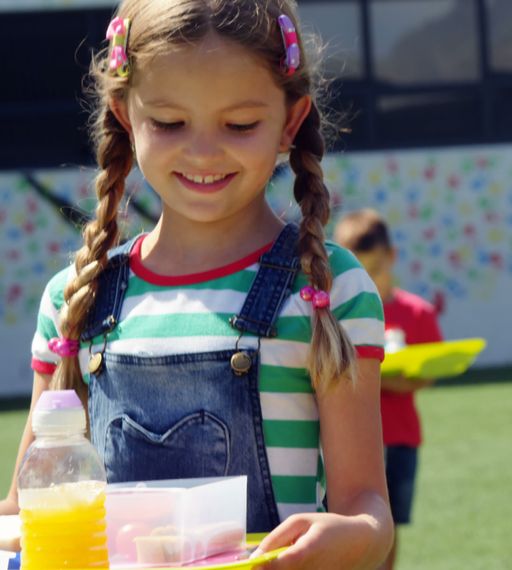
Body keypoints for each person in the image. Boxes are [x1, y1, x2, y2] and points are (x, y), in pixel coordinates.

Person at [1, 1, 394, 568]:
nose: (204, 151)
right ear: (123, 116)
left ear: (290, 122)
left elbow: (368, 510)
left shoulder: (327, 291)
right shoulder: (74, 300)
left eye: (239, 125)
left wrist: (349, 535)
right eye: (168, 122)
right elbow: (23, 513)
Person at [333, 209, 443, 570]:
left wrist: (382, 376)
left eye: (376, 270)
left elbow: (428, 372)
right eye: (360, 272)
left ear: (392, 258)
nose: (370, 281)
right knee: (344, 520)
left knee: (389, 522)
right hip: (347, 437)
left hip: (399, 438)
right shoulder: (337, 314)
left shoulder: (417, 312)